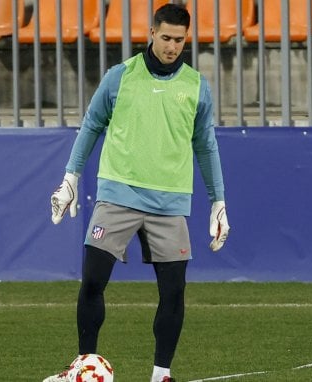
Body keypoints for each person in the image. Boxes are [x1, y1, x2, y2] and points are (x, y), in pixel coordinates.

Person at [43, 4, 230, 382]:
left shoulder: (196, 86)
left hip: (170, 202)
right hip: (118, 195)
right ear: (151, 33)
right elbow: (92, 124)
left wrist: (218, 201)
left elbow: (205, 146)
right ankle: (85, 368)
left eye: (179, 40)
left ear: (186, 39)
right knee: (93, 282)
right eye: (166, 38)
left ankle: (161, 374)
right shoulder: (120, 76)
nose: (172, 47)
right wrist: (71, 178)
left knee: (174, 293)